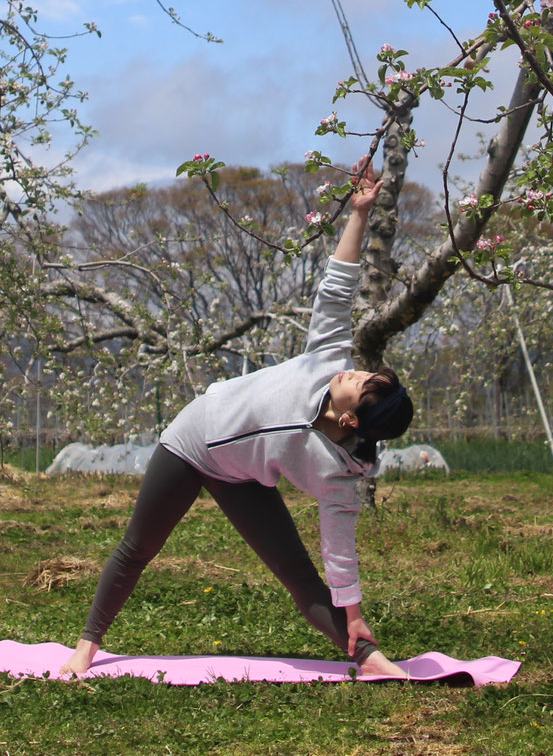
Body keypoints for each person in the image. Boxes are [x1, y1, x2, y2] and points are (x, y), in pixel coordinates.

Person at [58, 159, 415, 679]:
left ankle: (368, 658)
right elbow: (336, 291)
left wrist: (355, 614)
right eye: (361, 373)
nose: (352, 373)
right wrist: (359, 214)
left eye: (360, 385)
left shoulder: (341, 474)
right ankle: (86, 646)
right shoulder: (327, 361)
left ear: (354, 422)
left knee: (298, 575)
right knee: (139, 546)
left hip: (241, 475)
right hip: (192, 440)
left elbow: (339, 551)